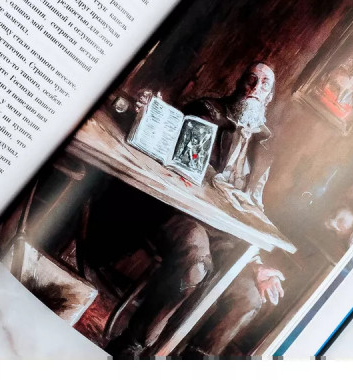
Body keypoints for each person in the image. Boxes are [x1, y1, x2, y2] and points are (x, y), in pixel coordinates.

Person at [108, 62, 285, 358]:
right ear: (239, 84)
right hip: (184, 215)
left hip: (225, 234)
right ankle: (133, 346)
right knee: (196, 265)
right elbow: (172, 150)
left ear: (269, 97)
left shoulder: (265, 147)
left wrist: (256, 263)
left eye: (264, 84)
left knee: (249, 297)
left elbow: (254, 206)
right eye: (251, 80)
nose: (255, 89)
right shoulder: (208, 111)